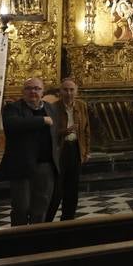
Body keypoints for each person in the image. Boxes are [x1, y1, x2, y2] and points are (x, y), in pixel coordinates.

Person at [0, 78, 58, 226]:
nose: (33, 91)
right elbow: (13, 124)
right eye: (29, 88)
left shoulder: (51, 108)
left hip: (45, 165)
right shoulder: (13, 108)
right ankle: (19, 241)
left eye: (37, 88)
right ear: (23, 92)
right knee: (21, 207)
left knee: (41, 206)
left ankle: (36, 240)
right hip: (22, 166)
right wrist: (42, 120)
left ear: (43, 91)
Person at [47, 77, 92, 221]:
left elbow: (86, 130)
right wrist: (63, 132)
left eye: (72, 90)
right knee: (57, 190)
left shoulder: (81, 105)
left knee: (72, 189)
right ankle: (46, 222)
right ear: (60, 92)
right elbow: (49, 133)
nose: (69, 93)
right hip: (60, 150)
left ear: (76, 91)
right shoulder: (53, 107)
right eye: (65, 90)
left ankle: (68, 221)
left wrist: (86, 151)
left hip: (76, 149)